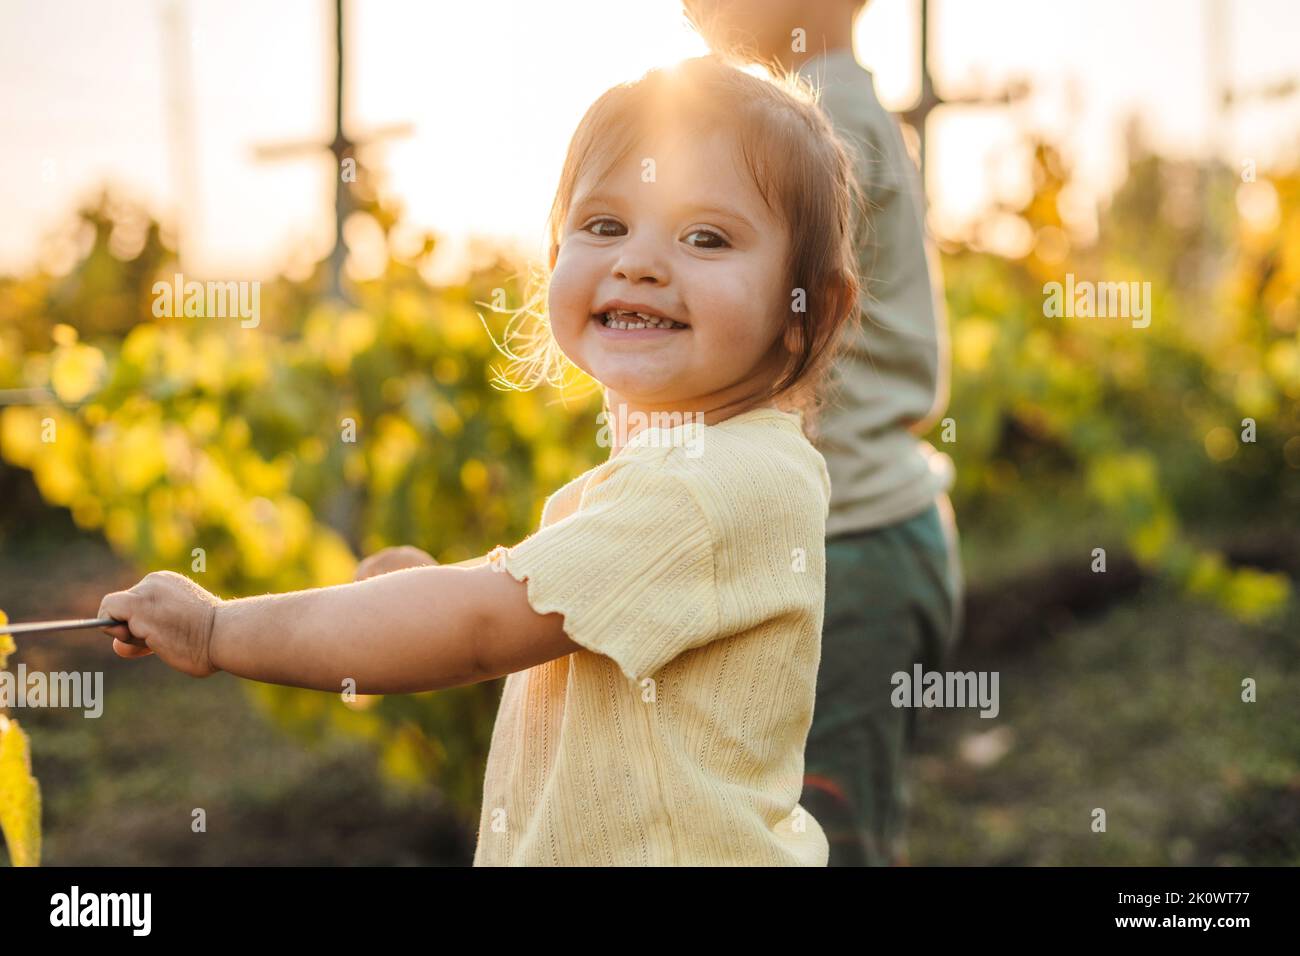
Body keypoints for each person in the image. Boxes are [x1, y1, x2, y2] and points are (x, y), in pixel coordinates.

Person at [98, 56, 866, 866]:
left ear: (809, 307)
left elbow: (476, 625)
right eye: (604, 225)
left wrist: (219, 629)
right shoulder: (708, 471)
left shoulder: (705, 488)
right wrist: (424, 586)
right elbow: (529, 627)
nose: (638, 261)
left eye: (706, 237)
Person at [685, 0, 963, 865]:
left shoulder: (814, 123)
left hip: (851, 546)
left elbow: (734, 331)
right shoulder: (835, 104)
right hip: (869, 536)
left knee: (828, 837)